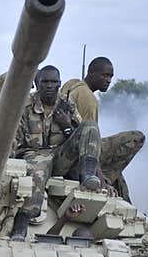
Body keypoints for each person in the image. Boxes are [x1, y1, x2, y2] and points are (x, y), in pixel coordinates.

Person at [10, 65, 101, 241]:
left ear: (60, 84)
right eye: (45, 82)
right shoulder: (25, 105)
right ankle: (22, 223)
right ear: (37, 84)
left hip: (60, 156)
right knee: (38, 168)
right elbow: (14, 137)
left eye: (53, 82)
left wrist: (67, 126)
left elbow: (79, 134)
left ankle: (88, 173)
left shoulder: (67, 105)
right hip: (32, 154)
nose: (49, 86)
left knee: (90, 126)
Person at [60, 56, 144, 202]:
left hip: (67, 144)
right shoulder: (89, 99)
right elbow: (90, 141)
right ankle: (108, 178)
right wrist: (100, 176)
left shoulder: (72, 84)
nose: (108, 80)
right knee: (136, 138)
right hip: (78, 149)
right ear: (91, 73)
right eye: (104, 75)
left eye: (111, 76)